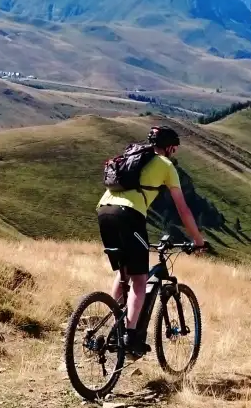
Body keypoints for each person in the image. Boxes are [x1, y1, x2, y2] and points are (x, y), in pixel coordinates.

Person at [96, 125, 206, 357]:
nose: (174, 153)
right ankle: (130, 337)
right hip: (128, 215)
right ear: (169, 147)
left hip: (104, 211)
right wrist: (198, 240)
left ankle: (113, 327)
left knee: (123, 273)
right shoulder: (166, 166)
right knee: (140, 279)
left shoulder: (132, 157)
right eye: (174, 149)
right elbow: (183, 209)